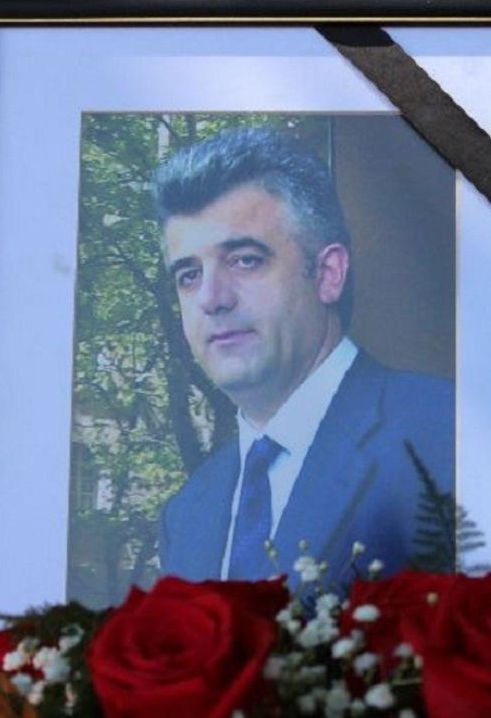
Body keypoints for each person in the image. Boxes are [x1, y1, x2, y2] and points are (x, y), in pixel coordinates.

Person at [154, 127, 454, 589]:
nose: (211, 298)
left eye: (245, 260)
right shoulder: (187, 514)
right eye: (189, 275)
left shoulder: (447, 434)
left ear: (328, 274)